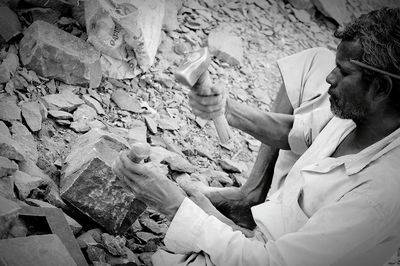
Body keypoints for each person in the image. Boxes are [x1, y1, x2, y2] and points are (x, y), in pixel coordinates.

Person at [113, 7, 400, 266]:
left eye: (343, 71)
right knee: (313, 60)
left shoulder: (377, 196)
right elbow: (298, 132)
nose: (330, 78)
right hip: (275, 228)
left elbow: (271, 262)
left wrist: (175, 206)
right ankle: (249, 202)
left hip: (277, 257)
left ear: (380, 89)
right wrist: (225, 108)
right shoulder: (362, 115)